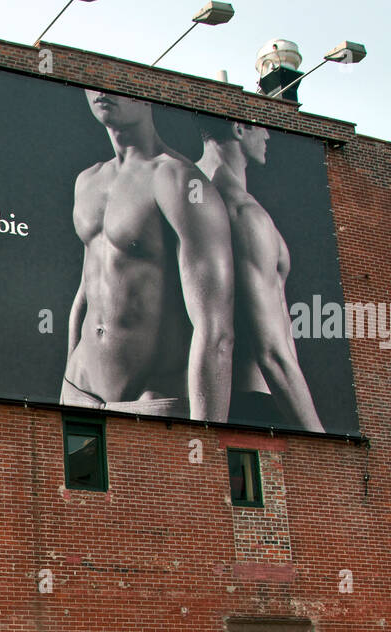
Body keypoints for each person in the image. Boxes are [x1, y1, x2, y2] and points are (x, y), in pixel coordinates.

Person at [62, 90, 234, 422]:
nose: (100, 91)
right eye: (93, 83)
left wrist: (205, 438)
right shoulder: (87, 181)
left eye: (113, 82)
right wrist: (65, 389)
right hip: (78, 391)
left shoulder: (178, 181)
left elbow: (216, 332)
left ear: (146, 94)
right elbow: (86, 290)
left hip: (149, 403)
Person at [196, 118, 324, 432]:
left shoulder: (184, 189)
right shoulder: (242, 213)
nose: (267, 134)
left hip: (217, 404)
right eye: (259, 127)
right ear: (239, 129)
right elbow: (272, 352)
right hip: (258, 401)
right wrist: (323, 442)